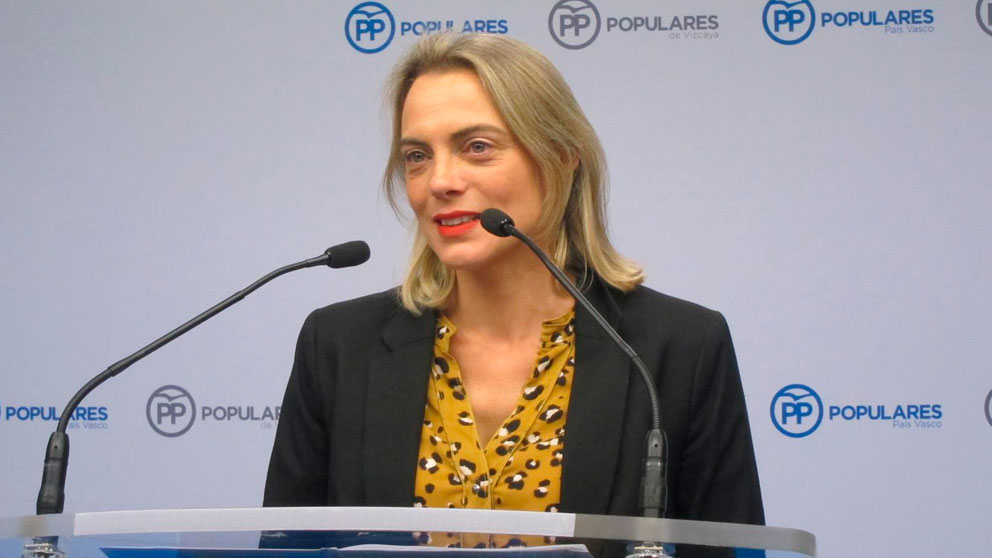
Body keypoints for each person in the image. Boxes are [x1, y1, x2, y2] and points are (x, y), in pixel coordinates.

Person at [263, 33, 763, 556]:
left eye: (476, 147)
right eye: (416, 156)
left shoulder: (678, 348)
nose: (440, 180)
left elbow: (729, 547)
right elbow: (284, 548)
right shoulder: (339, 346)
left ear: (563, 156)